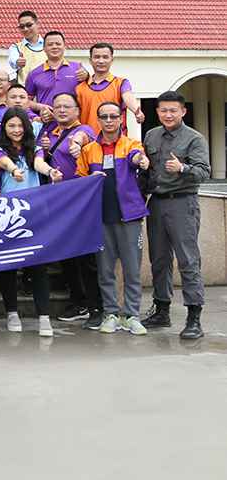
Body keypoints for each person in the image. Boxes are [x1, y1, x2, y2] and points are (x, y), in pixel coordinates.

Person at [76, 103, 151, 336]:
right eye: (104, 117)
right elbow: (79, 180)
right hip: (100, 218)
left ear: (120, 119)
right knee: (105, 270)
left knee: (132, 270)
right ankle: (110, 314)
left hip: (130, 216)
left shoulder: (131, 144)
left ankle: (132, 315)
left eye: (113, 116)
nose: (109, 120)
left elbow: (137, 157)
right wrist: (90, 178)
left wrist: (141, 160)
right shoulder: (89, 150)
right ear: (98, 120)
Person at [141, 91, 211, 340]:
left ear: (183, 111)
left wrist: (182, 168)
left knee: (188, 260)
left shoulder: (194, 138)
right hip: (157, 203)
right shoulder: (151, 135)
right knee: (159, 259)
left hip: (183, 202)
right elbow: (147, 171)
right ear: (157, 112)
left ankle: (194, 317)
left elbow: (204, 172)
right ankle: (162, 310)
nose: (168, 114)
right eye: (163, 110)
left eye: (173, 110)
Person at [0, 108, 62, 336]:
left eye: (20, 126)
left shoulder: (36, 149)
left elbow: (38, 163)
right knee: (9, 267)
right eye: (11, 126)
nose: (16, 130)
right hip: (8, 216)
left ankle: (44, 317)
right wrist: (14, 170)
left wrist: (50, 171)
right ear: (4, 128)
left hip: (35, 214)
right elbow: (3, 163)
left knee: (38, 266)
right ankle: (12, 313)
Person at [39, 93, 100, 325]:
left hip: (80, 201)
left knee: (85, 256)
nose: (62, 110)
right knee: (66, 254)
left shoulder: (83, 130)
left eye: (67, 106)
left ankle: (95, 306)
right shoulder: (50, 133)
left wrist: (76, 144)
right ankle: (78, 301)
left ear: (77, 110)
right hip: (57, 201)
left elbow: (83, 138)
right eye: (57, 107)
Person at [7, 10, 46, 81]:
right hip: (25, 87)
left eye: (29, 25)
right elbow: (13, 61)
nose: (25, 29)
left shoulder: (48, 45)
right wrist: (17, 62)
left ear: (37, 24)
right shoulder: (16, 47)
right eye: (22, 26)